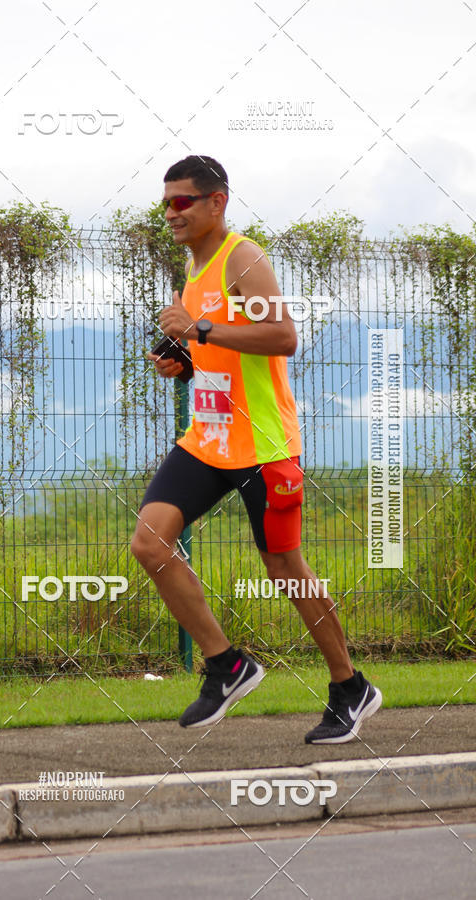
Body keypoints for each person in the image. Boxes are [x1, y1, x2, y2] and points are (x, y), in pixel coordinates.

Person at [130, 155, 382, 743]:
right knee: (149, 542)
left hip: (263, 444)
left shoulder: (243, 258)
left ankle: (350, 686)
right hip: (208, 438)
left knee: (285, 569)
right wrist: (184, 361)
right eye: (166, 203)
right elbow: (220, 350)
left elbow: (282, 337)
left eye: (182, 202)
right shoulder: (193, 268)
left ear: (217, 201)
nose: (171, 213)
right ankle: (226, 665)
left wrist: (198, 330)